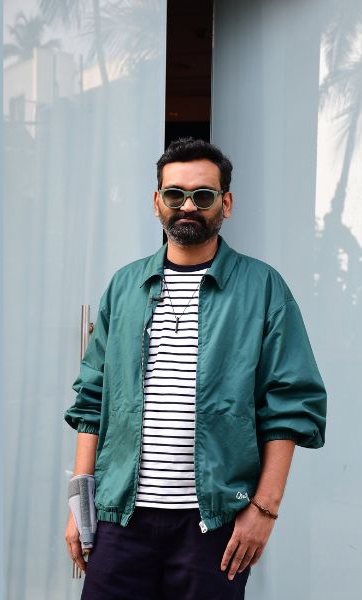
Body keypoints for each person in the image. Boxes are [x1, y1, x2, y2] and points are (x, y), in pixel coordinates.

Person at [64, 137, 327, 599]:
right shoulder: (124, 286)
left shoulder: (263, 287)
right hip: (119, 516)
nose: (188, 206)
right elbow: (92, 401)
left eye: (203, 195)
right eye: (175, 194)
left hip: (214, 524)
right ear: (157, 202)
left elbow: (289, 405)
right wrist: (79, 510)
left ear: (226, 202)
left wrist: (264, 511)